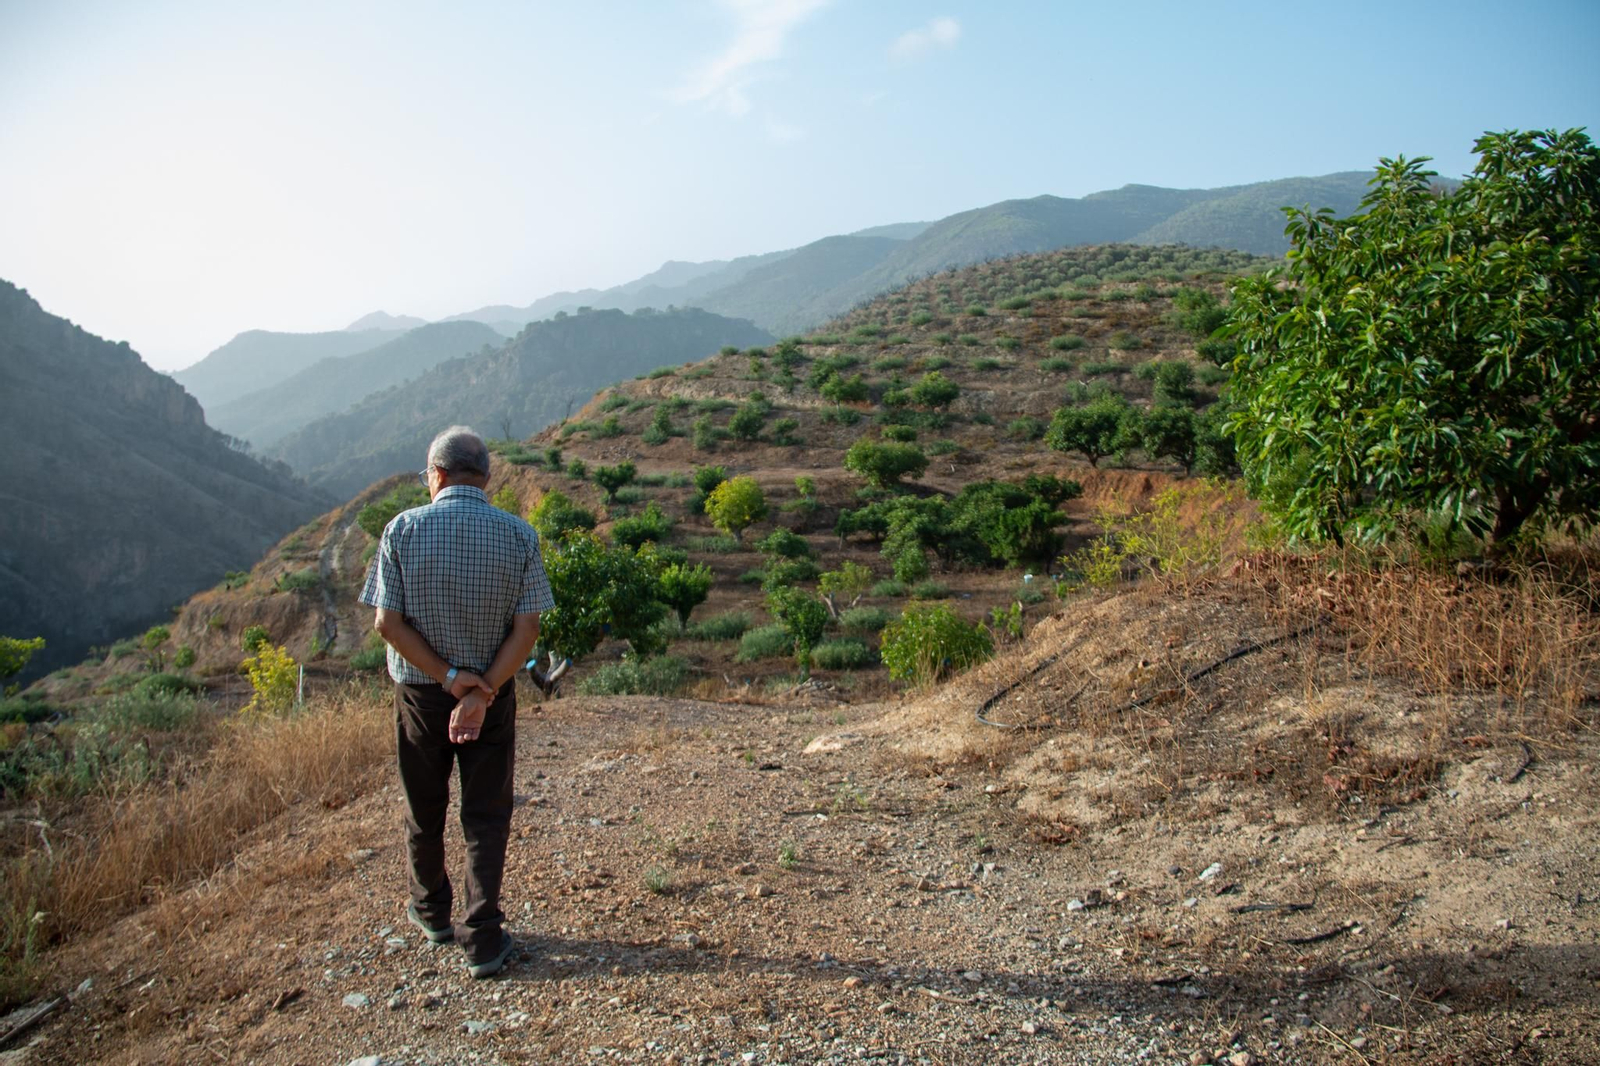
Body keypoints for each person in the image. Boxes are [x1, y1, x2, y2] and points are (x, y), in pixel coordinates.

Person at [359, 425, 553, 978]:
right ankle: (483, 939)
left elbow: (387, 624)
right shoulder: (519, 534)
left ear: (437, 475)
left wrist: (449, 679)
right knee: (486, 813)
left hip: (421, 695)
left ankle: (432, 913)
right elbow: (528, 628)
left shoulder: (402, 529)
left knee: (424, 806)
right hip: (492, 696)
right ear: (485, 478)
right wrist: (482, 689)